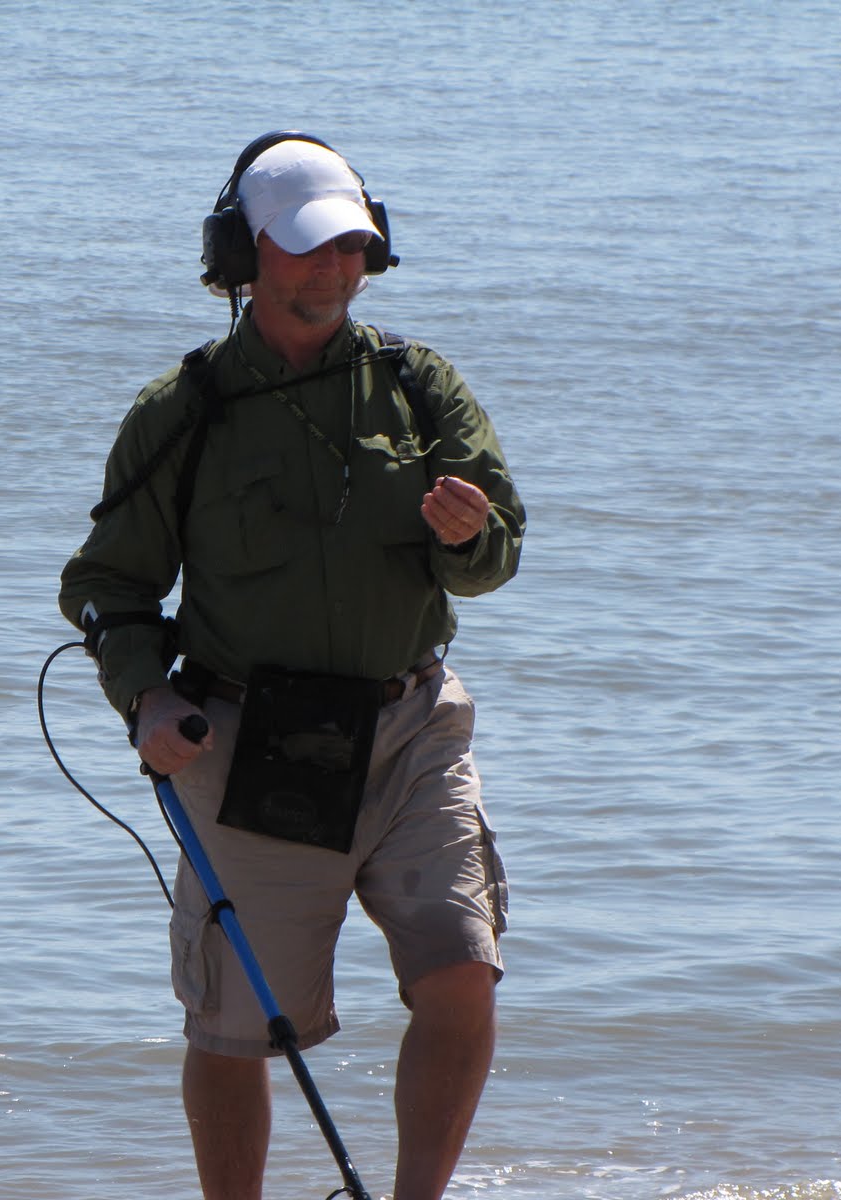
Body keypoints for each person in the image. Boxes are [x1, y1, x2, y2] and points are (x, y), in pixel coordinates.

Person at [58, 131, 525, 1200]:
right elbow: (103, 588)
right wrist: (147, 697)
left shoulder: (421, 386)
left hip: (411, 728)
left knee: (462, 969)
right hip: (247, 740)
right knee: (235, 1029)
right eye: (309, 246)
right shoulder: (184, 411)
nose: (333, 268)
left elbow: (496, 562)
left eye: (352, 246)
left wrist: (469, 539)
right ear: (243, 253)